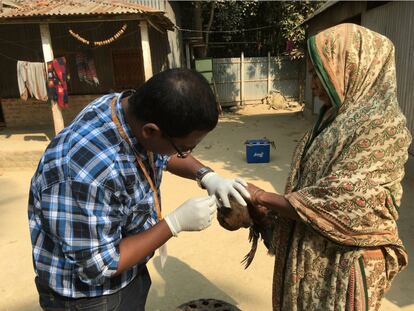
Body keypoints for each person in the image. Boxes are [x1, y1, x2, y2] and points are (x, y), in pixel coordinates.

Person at [28, 68, 249, 310]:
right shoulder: (85, 174)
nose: (184, 155)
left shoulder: (124, 108)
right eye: (185, 148)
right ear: (151, 131)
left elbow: (162, 155)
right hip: (88, 297)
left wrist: (207, 176)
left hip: (129, 270)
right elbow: (98, 266)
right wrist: (173, 224)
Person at [245, 24, 412, 310]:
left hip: (343, 262)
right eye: (312, 74)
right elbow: (308, 183)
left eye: (319, 73)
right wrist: (270, 214)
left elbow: (347, 197)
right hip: (309, 251)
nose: (314, 84)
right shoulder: (331, 119)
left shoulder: (383, 124)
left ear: (354, 68)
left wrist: (264, 197)